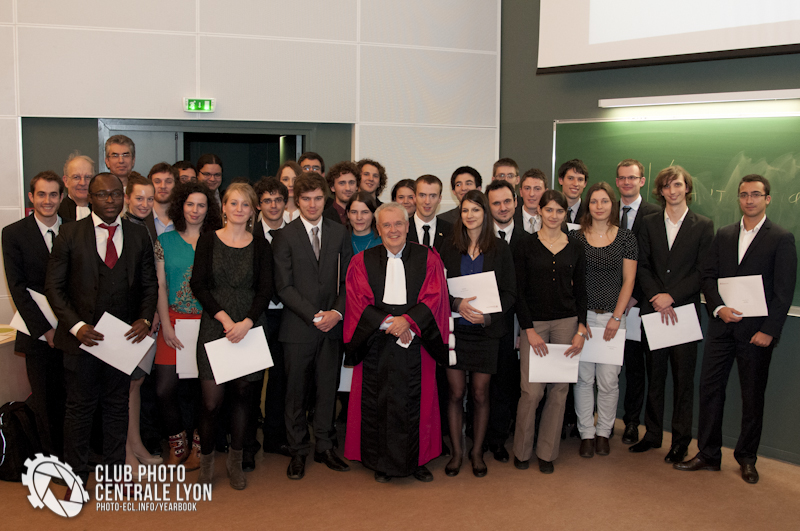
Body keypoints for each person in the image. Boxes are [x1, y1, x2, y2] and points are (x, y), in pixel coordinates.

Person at [676, 174, 796, 484]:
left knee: (752, 397)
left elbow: (784, 292)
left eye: (756, 194)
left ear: (767, 199)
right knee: (710, 390)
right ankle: (708, 454)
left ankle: (746, 458)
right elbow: (708, 276)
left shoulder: (781, 238)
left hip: (757, 335)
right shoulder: (725, 234)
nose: (749, 200)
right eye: (744, 195)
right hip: (721, 329)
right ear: (739, 199)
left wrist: (769, 331)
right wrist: (718, 308)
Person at [45, 172, 158, 485]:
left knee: (116, 409)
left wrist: (145, 318)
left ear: (123, 196)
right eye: (103, 195)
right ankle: (76, 477)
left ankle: (115, 476)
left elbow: (150, 284)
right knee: (79, 411)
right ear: (90, 198)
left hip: (122, 341)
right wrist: (77, 327)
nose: (110, 200)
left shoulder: (137, 235)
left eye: (116, 194)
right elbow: (54, 288)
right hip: (82, 341)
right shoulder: (69, 234)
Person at [343, 202, 450, 482]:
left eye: (399, 224)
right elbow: (357, 300)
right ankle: (381, 461)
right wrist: (391, 323)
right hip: (377, 339)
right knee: (379, 401)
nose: (393, 230)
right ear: (378, 229)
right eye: (387, 225)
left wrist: (409, 322)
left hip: (417, 339)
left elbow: (435, 296)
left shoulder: (428, 258)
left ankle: (418, 460)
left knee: (419, 401)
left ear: (407, 226)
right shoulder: (362, 261)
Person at [190, 183, 274, 490]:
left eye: (245, 204)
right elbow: (198, 285)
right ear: (223, 207)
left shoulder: (262, 245)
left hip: (250, 327)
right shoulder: (208, 241)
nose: (239, 209)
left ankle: (236, 464)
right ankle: (207, 463)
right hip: (216, 326)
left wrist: (247, 322)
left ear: (253, 210)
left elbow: (265, 289)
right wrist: (225, 319)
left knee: (243, 398)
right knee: (211, 402)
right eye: (233, 203)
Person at [272, 172, 352, 480]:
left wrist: (336, 312)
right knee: (295, 394)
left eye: (318, 198)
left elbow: (348, 280)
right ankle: (298, 451)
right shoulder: (285, 235)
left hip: (332, 326)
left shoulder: (339, 232)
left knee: (327, 390)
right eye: (306, 199)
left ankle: (325, 446)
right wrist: (315, 314)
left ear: (325, 199)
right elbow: (284, 286)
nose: (312, 204)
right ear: (297, 200)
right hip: (298, 328)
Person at [630, 166, 713, 462]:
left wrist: (671, 296)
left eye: (677, 184)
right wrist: (656, 296)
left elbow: (703, 270)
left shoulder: (703, 225)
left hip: (684, 314)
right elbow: (642, 265)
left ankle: (680, 441)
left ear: (686, 187)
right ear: (660, 191)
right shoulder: (649, 223)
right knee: (655, 375)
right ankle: (652, 434)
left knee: (682, 381)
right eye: (666, 186)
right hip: (653, 310)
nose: (672, 190)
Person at [439, 190, 516, 477]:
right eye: (465, 210)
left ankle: (476, 452)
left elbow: (510, 293)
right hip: (455, 331)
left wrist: (489, 316)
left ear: (486, 213)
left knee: (481, 394)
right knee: (456, 392)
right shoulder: (448, 247)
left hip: (485, 332)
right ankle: (458, 452)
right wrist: (456, 303)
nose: (470, 215)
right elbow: (437, 290)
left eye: (475, 210)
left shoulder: (500, 248)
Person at [513, 190, 587, 474]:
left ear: (565, 214)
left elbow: (580, 289)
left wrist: (581, 327)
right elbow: (519, 292)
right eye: (549, 210)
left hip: (567, 324)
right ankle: (521, 451)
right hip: (536, 325)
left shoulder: (575, 246)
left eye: (560, 211)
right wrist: (528, 329)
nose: (554, 215)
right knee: (531, 393)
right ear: (539, 212)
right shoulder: (525, 245)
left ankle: (547, 452)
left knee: (559, 391)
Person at [154, 182, 221, 469]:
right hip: (174, 323)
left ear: (210, 209)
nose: (195, 210)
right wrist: (166, 325)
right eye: (190, 204)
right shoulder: (164, 242)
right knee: (164, 389)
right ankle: (176, 440)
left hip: (208, 324)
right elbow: (159, 285)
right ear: (181, 205)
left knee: (201, 392)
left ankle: (198, 442)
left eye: (202, 205)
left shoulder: (218, 240)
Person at [571, 182, 637, 457]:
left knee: (609, 380)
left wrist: (616, 317)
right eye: (594, 201)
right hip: (583, 319)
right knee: (583, 379)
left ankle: (603, 432)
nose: (599, 206)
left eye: (604, 201)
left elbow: (629, 280)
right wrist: (579, 321)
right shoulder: (576, 239)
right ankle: (586, 432)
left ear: (613, 204)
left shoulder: (626, 238)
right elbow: (572, 283)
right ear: (588, 205)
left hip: (613, 319)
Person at [3, 171, 66, 458]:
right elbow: (17, 288)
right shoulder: (14, 233)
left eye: (53, 194)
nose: (47, 200)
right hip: (37, 334)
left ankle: (77, 454)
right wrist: (46, 330)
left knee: (74, 399)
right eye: (41, 194)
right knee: (45, 400)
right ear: (31, 197)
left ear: (62, 197)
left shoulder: (76, 230)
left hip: (73, 332)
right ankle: (53, 461)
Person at [615, 158, 663, 445]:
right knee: (606, 366)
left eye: (632, 178)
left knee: (635, 368)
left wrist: (635, 296)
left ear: (642, 181)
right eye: (621, 178)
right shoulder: (605, 212)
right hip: (607, 304)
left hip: (640, 306)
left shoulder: (656, 215)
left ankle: (632, 422)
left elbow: (655, 264)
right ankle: (604, 420)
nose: (626, 182)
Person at [484, 179, 529, 461]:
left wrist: (525, 327)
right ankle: (480, 433)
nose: (502, 208)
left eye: (507, 201)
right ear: (489, 207)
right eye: (496, 203)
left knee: (506, 383)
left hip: (516, 321)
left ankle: (498, 438)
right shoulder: (480, 237)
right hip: (487, 322)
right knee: (483, 382)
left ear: (515, 201)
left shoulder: (528, 239)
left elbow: (529, 290)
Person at [120, 175, 163, 469]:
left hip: (145, 317)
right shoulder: (121, 227)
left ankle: (135, 443)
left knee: (136, 382)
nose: (145, 204)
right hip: (123, 320)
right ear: (126, 197)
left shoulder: (148, 226)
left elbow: (153, 279)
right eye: (139, 198)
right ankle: (124, 452)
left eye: (150, 199)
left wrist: (154, 313)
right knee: (121, 387)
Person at [250, 178, 290, 460]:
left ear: (285, 203)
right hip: (255, 316)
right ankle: (247, 442)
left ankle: (275, 438)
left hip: (288, 315)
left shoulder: (296, 234)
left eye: (278, 200)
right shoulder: (248, 234)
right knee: (251, 381)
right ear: (258, 205)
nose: (273, 205)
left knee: (280, 379)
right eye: (267, 200)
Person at [407, 174, 453, 252]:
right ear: (414, 197)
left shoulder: (451, 231)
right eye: (422, 195)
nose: (427, 201)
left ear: (439, 199)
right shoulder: (402, 229)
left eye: (433, 196)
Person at [59, 152, 93, 222]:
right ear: (66, 181)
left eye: (87, 177)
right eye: (76, 177)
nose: (82, 183)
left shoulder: (102, 211)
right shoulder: (57, 212)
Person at [323, 160, 360, 225]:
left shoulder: (365, 216)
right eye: (342, 183)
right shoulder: (324, 218)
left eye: (351, 183)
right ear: (332, 187)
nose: (348, 188)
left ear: (357, 186)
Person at [514, 168, 547, 234]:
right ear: (521, 192)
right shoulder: (511, 218)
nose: (531, 194)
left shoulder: (552, 219)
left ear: (545, 192)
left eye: (537, 189)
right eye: (527, 188)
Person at [149, 162, 178, 235]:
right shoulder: (142, 218)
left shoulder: (184, 217)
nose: (163, 186)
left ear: (176, 185)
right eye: (157, 182)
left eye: (168, 182)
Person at [557, 159, 589, 225]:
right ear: (561, 180)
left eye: (580, 179)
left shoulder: (590, 212)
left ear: (585, 184)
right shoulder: (550, 210)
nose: (575, 184)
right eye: (570, 178)